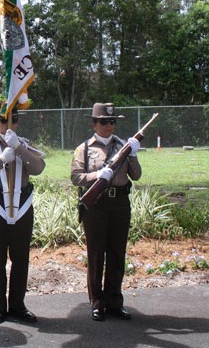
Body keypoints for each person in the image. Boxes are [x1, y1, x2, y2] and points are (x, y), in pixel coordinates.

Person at [0, 100, 46, 325]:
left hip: (22, 207)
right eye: (4, 120)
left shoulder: (25, 144)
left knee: (21, 258)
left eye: (13, 119)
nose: (9, 124)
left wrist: (20, 148)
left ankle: (17, 304)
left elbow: (39, 168)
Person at [71, 102, 142, 321]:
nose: (109, 126)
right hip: (96, 206)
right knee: (96, 255)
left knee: (117, 253)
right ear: (94, 123)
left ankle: (114, 301)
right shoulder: (84, 148)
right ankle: (97, 302)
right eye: (104, 121)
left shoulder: (124, 146)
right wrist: (97, 175)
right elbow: (76, 177)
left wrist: (132, 155)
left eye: (112, 121)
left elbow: (137, 175)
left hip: (120, 203)